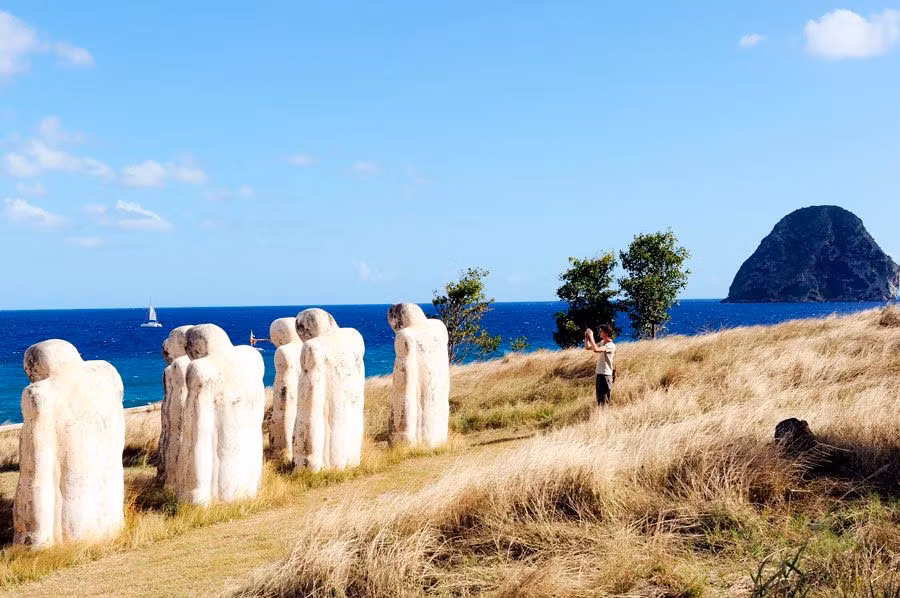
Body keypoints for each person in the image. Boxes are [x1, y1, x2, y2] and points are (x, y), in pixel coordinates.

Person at [585, 324, 616, 406]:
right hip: (600, 374)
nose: (599, 333)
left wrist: (591, 336)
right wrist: (587, 337)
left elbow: (596, 350)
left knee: (605, 401)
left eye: (600, 331)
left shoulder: (610, 345)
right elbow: (587, 347)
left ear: (606, 333)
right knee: (599, 400)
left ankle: (606, 416)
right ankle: (601, 416)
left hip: (606, 375)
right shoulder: (602, 342)